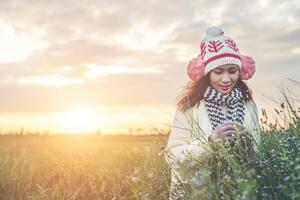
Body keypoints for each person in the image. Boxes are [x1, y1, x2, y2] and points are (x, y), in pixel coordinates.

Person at [164, 26, 261, 200]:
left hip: (238, 193)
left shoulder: (249, 106)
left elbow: (257, 162)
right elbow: (173, 158)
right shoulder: (189, 107)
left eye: (232, 71)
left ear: (240, 71)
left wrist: (248, 148)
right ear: (207, 73)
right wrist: (210, 142)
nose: (226, 79)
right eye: (218, 72)